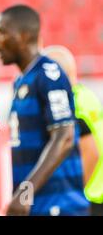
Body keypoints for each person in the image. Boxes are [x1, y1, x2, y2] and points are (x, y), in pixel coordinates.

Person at [0, 4, 89, 216]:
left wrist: (24, 193)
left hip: (61, 207)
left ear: (23, 36)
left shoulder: (49, 73)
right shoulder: (22, 81)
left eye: (1, 32)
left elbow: (64, 136)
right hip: (38, 207)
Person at [43, 45, 103, 216]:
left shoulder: (71, 105)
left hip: (88, 195)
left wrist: (73, 194)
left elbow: (91, 152)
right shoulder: (85, 95)